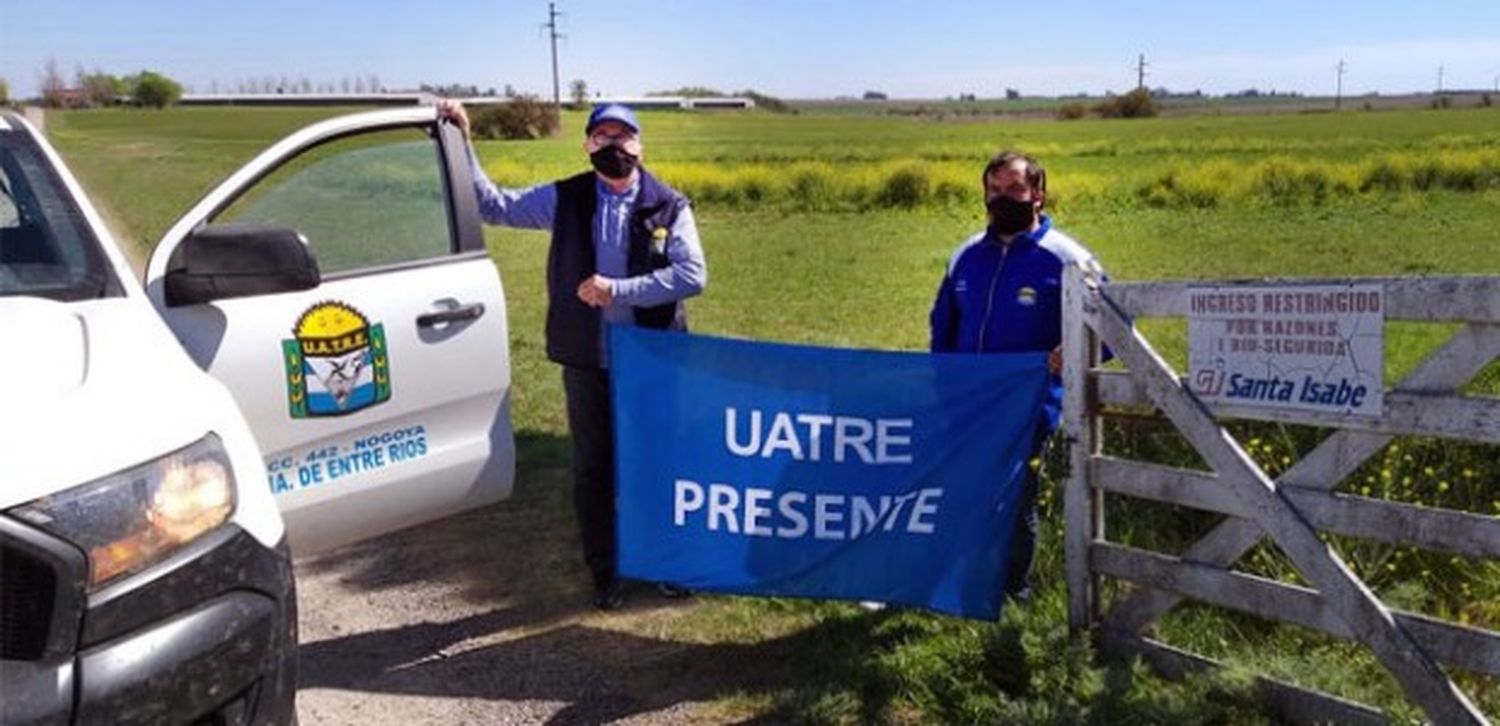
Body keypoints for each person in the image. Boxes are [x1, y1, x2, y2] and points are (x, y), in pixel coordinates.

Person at [438, 100, 707, 610]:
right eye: (602, 137)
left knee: (658, 464)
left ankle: (670, 565)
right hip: (588, 359)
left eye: (623, 137)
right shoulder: (565, 198)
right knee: (594, 469)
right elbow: (493, 205)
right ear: (588, 146)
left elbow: (693, 275)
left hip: (653, 361)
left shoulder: (670, 206)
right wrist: (462, 140)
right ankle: (605, 575)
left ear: (640, 146)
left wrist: (618, 290)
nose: (614, 147)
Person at [928, 150, 1105, 604]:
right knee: (963, 493)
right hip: (967, 405)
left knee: (1015, 500)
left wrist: (1072, 353)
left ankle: (1012, 594)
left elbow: (1112, 328)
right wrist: (943, 385)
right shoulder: (965, 256)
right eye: (994, 190)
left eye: (1014, 190)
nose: (1001, 198)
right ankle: (955, 582)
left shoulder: (1068, 259)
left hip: (1031, 406)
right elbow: (942, 327)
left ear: (1038, 196)